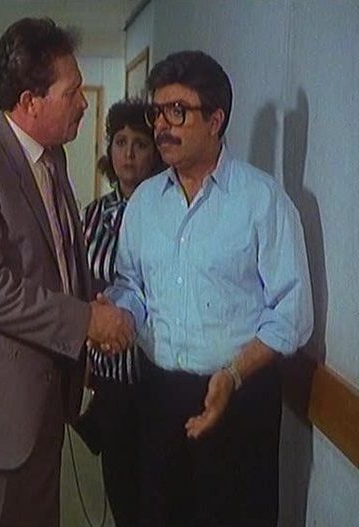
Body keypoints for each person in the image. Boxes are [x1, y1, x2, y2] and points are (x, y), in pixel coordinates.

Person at [0, 17, 134, 527]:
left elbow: (57, 259)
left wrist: (92, 304)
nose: (83, 103)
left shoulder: (51, 159)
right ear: (30, 101)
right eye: (72, 92)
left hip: (44, 402)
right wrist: (85, 321)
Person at [104, 50, 313, 526]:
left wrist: (234, 374)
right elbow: (131, 285)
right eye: (157, 112)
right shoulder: (144, 205)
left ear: (216, 120)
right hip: (160, 396)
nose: (161, 125)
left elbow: (293, 313)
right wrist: (119, 312)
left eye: (177, 111)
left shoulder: (262, 201)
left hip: (240, 399)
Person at [73, 98, 163, 527]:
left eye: (140, 144)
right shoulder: (93, 216)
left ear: (155, 152)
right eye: (121, 142)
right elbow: (78, 285)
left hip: (154, 376)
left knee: (155, 494)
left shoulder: (165, 214)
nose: (128, 153)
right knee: (120, 487)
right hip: (107, 373)